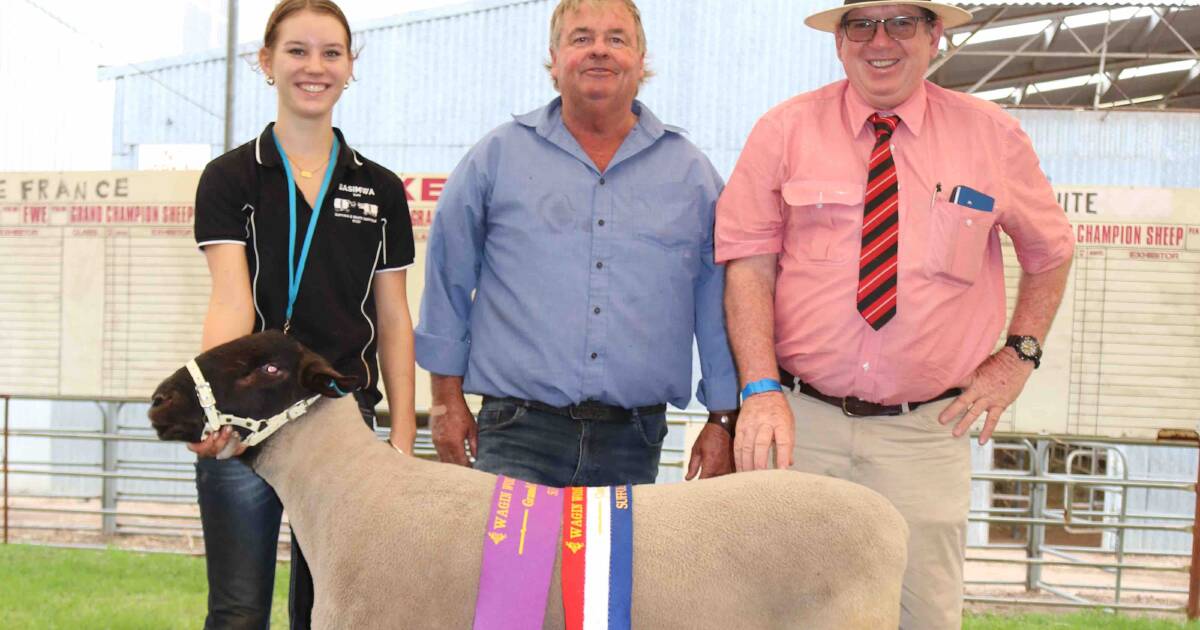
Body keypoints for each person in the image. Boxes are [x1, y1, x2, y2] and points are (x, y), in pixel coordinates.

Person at [716, 1, 1074, 628]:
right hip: (800, 423)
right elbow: (748, 266)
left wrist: (1019, 357)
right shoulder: (783, 131)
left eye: (902, 22)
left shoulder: (992, 136)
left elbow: (1051, 252)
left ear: (934, 36)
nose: (880, 41)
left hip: (927, 434)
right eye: (862, 24)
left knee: (921, 614)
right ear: (840, 41)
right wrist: (760, 389)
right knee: (775, 609)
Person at [415, 0, 738, 488]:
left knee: (612, 570)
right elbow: (448, 283)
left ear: (642, 57)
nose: (599, 52)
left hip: (635, 441)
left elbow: (718, 307)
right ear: (554, 56)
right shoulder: (496, 157)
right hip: (515, 435)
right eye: (581, 38)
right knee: (513, 569)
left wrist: (721, 420)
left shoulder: (692, 175)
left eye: (616, 38)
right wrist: (444, 399)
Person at [188, 1, 416, 627]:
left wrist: (398, 436)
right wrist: (220, 411)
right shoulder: (230, 177)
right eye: (297, 51)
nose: (314, 67)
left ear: (349, 67)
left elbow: (393, 318)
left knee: (335, 614)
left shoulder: (382, 188)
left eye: (331, 53)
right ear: (266, 63)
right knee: (237, 612)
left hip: (344, 425)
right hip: (250, 420)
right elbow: (231, 299)